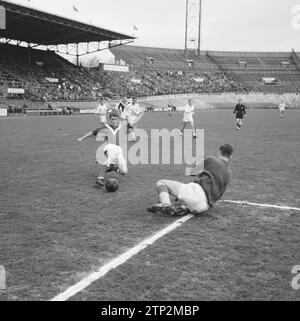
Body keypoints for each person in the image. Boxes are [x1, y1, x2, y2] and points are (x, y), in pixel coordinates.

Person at [147, 144, 233, 216]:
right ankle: (184, 208)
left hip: (196, 193)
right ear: (231, 156)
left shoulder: (211, 159)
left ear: (219, 152)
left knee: (162, 183)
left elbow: (191, 172)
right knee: (187, 199)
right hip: (204, 206)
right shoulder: (229, 174)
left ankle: (165, 204)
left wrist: (198, 161)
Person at [77, 111, 127, 186]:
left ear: (118, 119)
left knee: (123, 171)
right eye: (112, 119)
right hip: (109, 147)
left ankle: (111, 168)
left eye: (116, 119)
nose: (114, 121)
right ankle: (100, 178)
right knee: (110, 156)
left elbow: (132, 125)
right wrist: (82, 138)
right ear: (110, 119)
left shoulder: (122, 127)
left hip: (118, 150)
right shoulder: (106, 128)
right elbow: (93, 132)